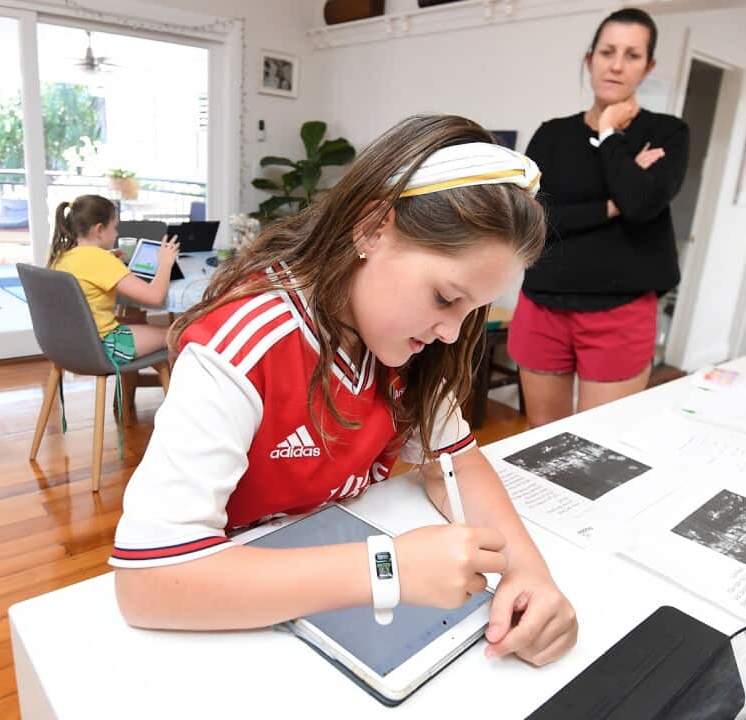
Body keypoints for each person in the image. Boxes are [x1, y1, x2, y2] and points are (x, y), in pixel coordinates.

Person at [110, 115, 579, 667]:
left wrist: (528, 573)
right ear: (373, 229)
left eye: (472, 309)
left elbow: (454, 464)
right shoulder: (243, 346)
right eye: (445, 298)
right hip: (228, 614)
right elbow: (148, 582)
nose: (452, 332)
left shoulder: (411, 343)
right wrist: (388, 569)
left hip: (325, 590)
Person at [510, 8, 689, 426]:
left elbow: (641, 205)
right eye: (608, 52)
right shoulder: (552, 135)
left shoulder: (668, 133)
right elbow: (529, 219)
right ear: (590, 59)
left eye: (632, 55)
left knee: (597, 442)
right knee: (541, 438)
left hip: (620, 312)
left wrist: (609, 135)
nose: (616, 65)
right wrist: (611, 205)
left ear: (648, 67)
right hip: (543, 303)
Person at [47, 194, 179, 363]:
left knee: (136, 320)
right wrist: (165, 263)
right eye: (114, 227)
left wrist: (108, 259)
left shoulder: (61, 256)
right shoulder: (102, 260)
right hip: (103, 346)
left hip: (69, 343)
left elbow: (88, 266)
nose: (116, 233)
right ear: (99, 230)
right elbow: (155, 297)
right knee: (177, 333)